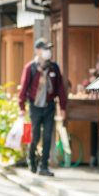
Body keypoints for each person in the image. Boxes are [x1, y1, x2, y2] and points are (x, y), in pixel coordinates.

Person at [18, 39, 67, 177]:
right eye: (44, 49)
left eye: (48, 49)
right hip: (35, 106)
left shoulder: (54, 68)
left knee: (47, 136)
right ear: (37, 51)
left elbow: (60, 88)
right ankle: (31, 158)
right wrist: (21, 106)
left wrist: (62, 107)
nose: (47, 52)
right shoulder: (30, 67)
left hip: (50, 105)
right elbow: (23, 87)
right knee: (35, 135)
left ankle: (43, 166)